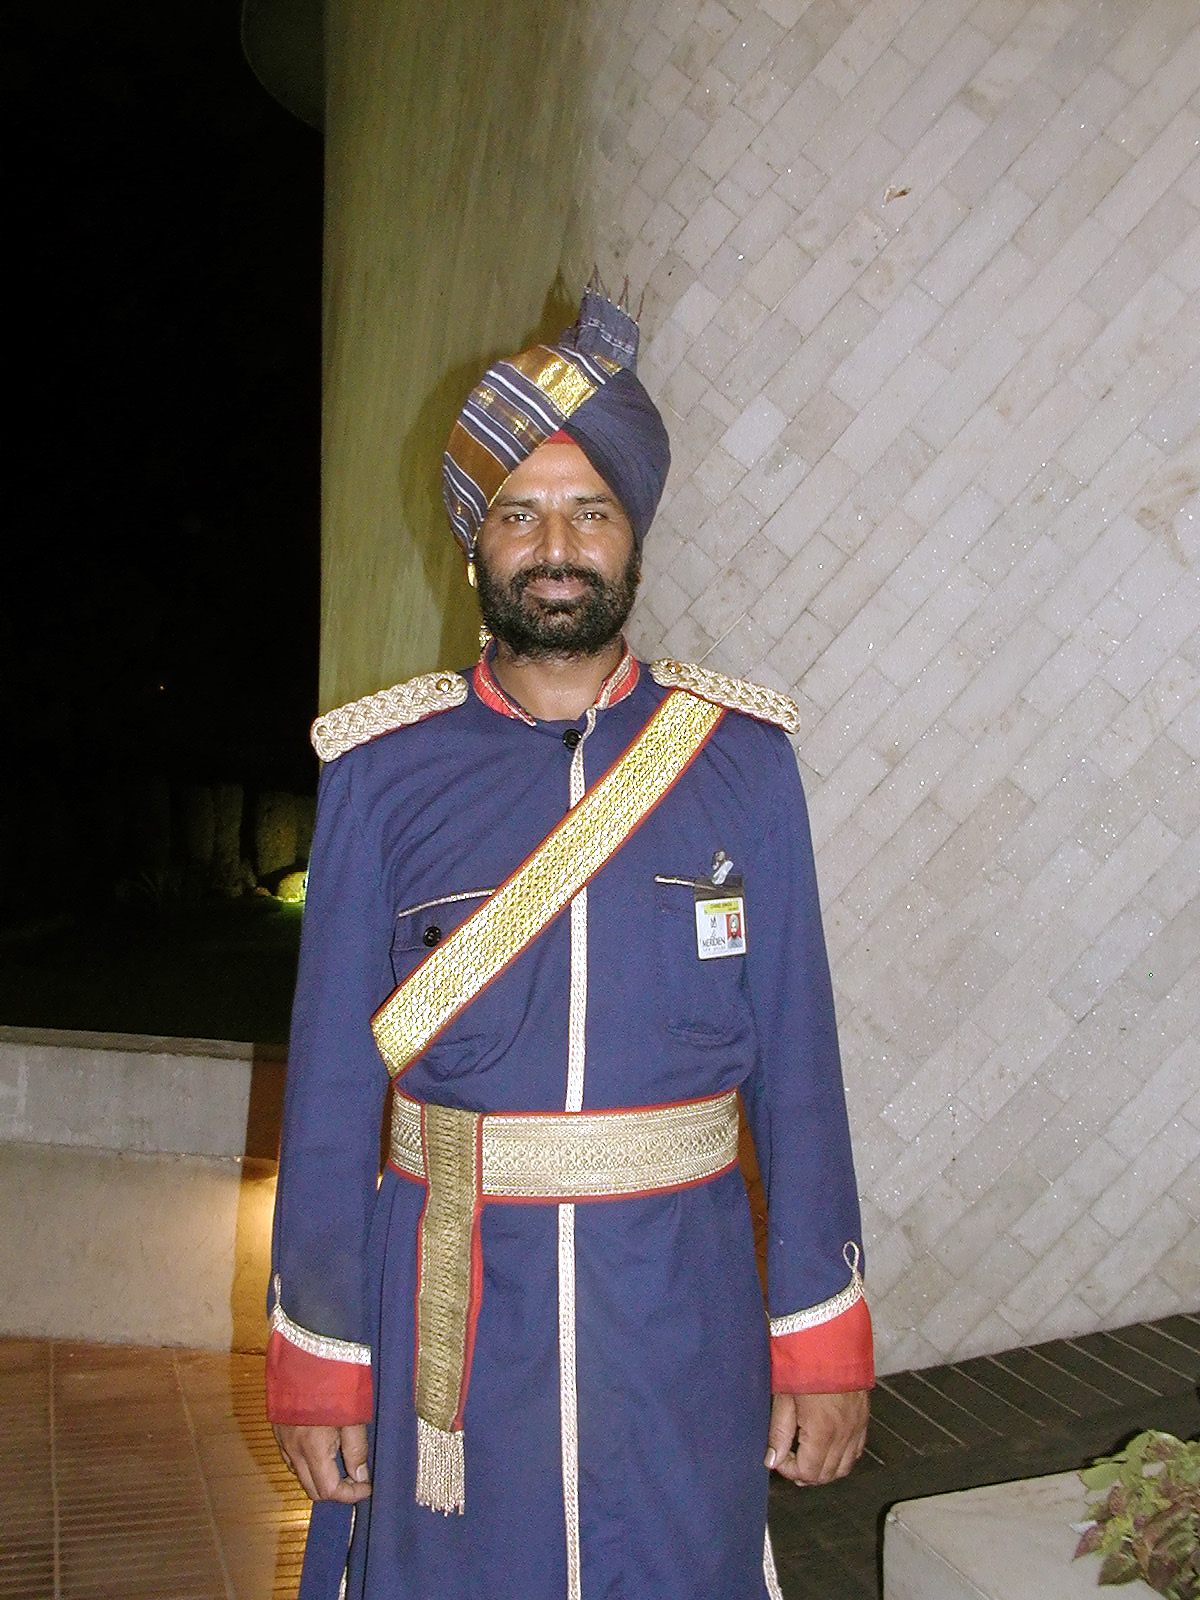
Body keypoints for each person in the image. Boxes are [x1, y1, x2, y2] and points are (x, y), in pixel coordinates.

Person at [266, 283, 874, 1600]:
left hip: (684, 1313)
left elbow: (803, 1071)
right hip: (453, 1321)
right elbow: (326, 1095)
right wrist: (321, 1349)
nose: (557, 543)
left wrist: (819, 1331)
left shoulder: (743, 765)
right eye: (520, 512)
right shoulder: (382, 772)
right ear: (475, 547)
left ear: (633, 537)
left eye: (589, 510)